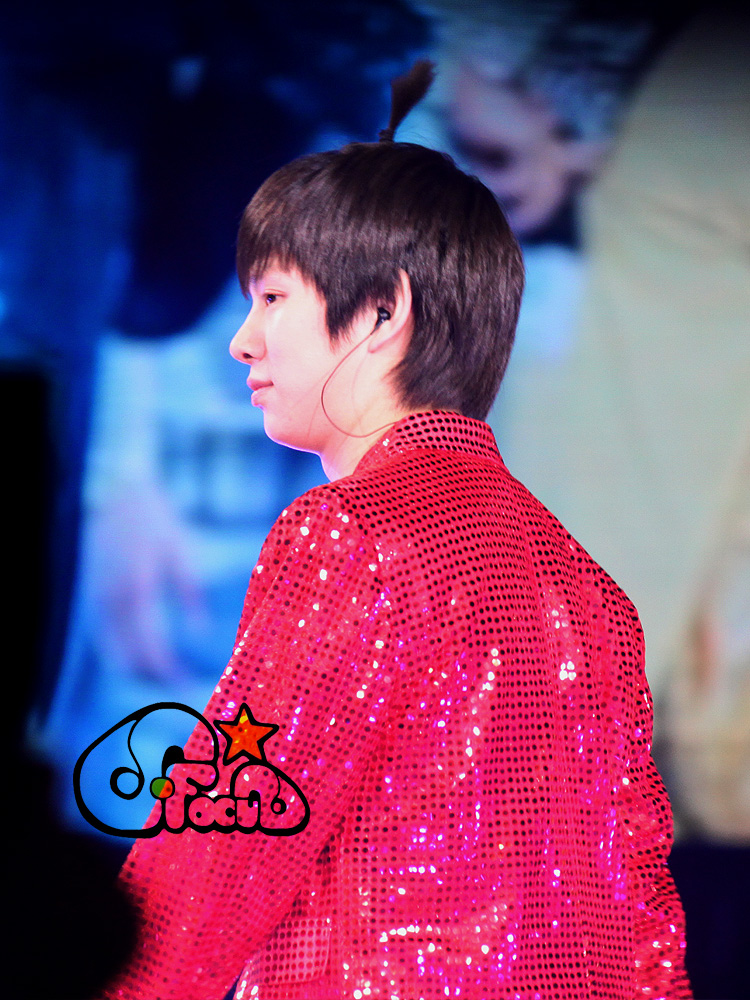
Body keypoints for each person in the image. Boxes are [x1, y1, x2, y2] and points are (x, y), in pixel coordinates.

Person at [101, 63, 691, 1000]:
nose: (242, 340)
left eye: (273, 298)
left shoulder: (350, 535)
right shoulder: (589, 591)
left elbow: (224, 844)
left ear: (383, 313)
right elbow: (638, 914)